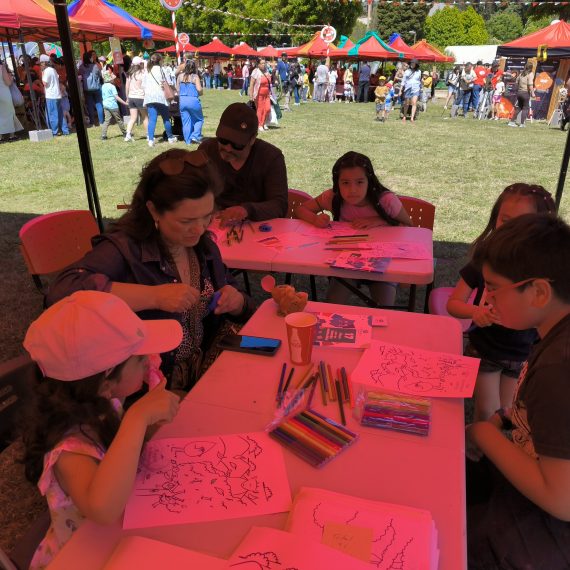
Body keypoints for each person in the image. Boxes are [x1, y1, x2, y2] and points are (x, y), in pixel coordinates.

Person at [47, 149, 255, 389]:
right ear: (154, 210)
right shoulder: (124, 248)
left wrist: (237, 301)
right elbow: (61, 293)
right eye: (186, 221)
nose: (199, 229)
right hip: (151, 388)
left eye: (206, 216)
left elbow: (241, 302)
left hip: (204, 373)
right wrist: (154, 297)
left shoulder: (203, 248)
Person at [22, 290, 182, 569]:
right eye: (139, 358)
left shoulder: (99, 403)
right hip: (81, 555)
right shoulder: (69, 448)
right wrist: (137, 418)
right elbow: (103, 509)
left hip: (123, 535)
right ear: (105, 382)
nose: (150, 359)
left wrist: (145, 418)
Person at [466, 214, 570, 569]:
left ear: (539, 291)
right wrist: (504, 417)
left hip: (548, 531)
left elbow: (561, 499)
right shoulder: (553, 332)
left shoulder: (559, 368)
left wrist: (482, 432)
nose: (488, 298)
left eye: (494, 288)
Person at [447, 184, 555, 422]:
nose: (513, 230)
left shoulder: (546, 272)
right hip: (486, 349)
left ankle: (483, 453)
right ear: (495, 218)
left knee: (506, 414)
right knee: (487, 412)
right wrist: (475, 312)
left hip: (522, 354)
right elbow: (453, 303)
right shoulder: (487, 261)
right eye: (505, 220)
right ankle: (474, 453)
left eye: (524, 222)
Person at [293, 151, 412, 306]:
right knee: (332, 305)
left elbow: (409, 227)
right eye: (345, 183)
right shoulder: (333, 198)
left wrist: (379, 219)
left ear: (369, 181)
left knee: (385, 310)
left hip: (381, 262)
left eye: (359, 182)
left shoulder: (386, 201)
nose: (352, 190)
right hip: (346, 263)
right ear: (337, 183)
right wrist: (316, 219)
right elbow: (300, 210)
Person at [199, 102, 288, 225]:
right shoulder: (207, 150)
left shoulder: (271, 157)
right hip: (213, 224)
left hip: (256, 227)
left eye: (237, 144)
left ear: (252, 139)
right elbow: (194, 190)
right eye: (223, 140)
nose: (228, 148)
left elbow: (279, 205)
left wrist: (246, 210)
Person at [143, 53, 177, 148]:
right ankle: (170, 137)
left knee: (152, 119)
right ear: (160, 60)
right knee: (166, 118)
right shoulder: (163, 70)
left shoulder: (147, 71)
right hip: (160, 96)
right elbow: (169, 82)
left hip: (149, 97)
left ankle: (150, 139)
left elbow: (143, 85)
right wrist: (174, 90)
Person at [41, 53, 68, 138]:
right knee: (60, 113)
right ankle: (65, 130)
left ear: (43, 63)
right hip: (57, 94)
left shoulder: (46, 71)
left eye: (40, 63)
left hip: (51, 95)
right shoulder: (53, 70)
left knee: (52, 114)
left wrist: (42, 74)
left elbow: (45, 83)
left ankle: (54, 132)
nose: (40, 65)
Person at [176, 59, 203, 145]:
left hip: (183, 100)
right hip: (193, 100)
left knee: (186, 121)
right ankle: (195, 136)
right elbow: (199, 89)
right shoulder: (195, 77)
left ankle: (187, 141)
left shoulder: (180, 76)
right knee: (199, 119)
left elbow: (177, 89)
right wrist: (200, 92)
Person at [124, 56, 148, 142]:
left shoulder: (129, 74)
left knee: (132, 118)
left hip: (131, 97)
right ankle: (149, 135)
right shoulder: (143, 73)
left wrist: (127, 97)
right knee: (145, 117)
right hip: (140, 97)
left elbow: (127, 86)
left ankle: (127, 135)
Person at [78, 50, 104, 126]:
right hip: (96, 87)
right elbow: (99, 75)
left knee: (89, 105)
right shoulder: (95, 66)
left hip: (87, 88)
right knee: (99, 104)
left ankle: (92, 122)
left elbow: (79, 76)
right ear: (90, 58)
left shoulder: (81, 67)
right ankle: (101, 121)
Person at [0, 59, 23, 142]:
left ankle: (0, 137)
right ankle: (12, 136)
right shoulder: (2, 67)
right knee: (10, 113)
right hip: (4, 93)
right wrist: (11, 78)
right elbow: (8, 83)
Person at [101, 70, 127, 141]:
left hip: (105, 105)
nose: (114, 80)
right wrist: (124, 103)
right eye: (113, 79)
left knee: (106, 121)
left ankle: (103, 135)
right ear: (110, 79)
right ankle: (125, 133)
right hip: (113, 106)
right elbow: (116, 97)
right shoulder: (112, 86)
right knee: (119, 120)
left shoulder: (103, 86)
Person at [509, 61, 535, 128]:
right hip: (525, 93)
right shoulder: (530, 74)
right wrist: (532, 93)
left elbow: (516, 82)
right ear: (531, 68)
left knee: (519, 108)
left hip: (519, 93)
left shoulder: (521, 74)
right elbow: (530, 84)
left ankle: (511, 122)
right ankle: (522, 124)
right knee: (525, 108)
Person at [250, 59, 272, 132]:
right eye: (262, 63)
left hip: (267, 93)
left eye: (264, 63)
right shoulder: (255, 71)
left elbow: (270, 81)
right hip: (258, 94)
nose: (263, 65)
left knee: (268, 108)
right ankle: (260, 125)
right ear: (258, 64)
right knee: (260, 109)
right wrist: (251, 95)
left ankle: (263, 123)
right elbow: (252, 84)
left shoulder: (267, 71)